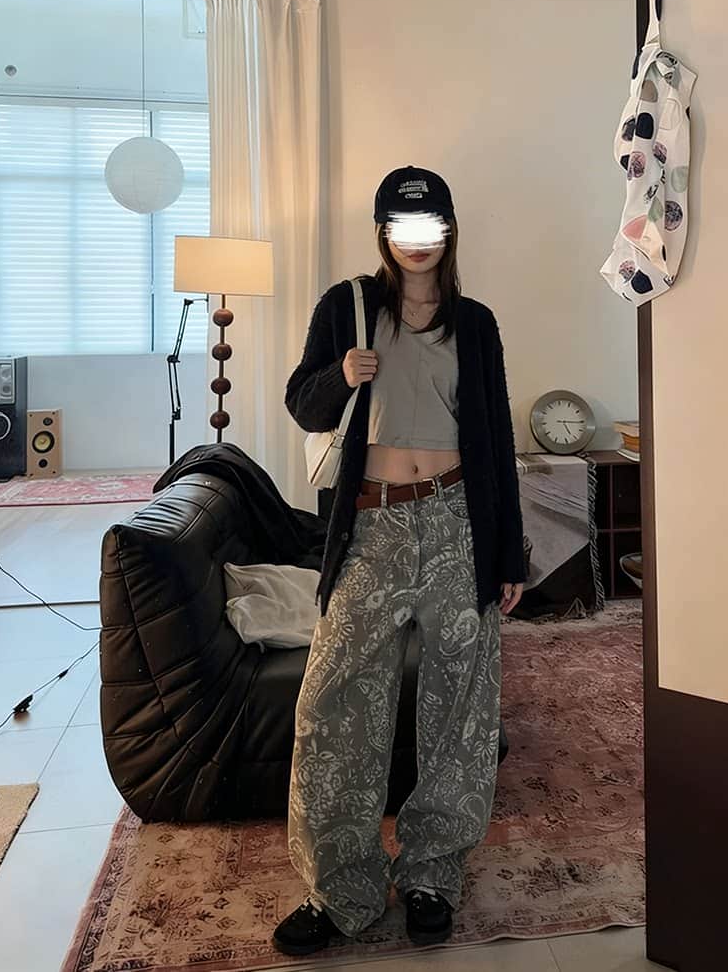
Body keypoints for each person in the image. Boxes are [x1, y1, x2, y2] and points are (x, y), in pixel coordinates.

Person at [274, 165, 526, 955]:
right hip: (373, 525)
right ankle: (338, 887)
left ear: (448, 232)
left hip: (457, 522)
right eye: (402, 227)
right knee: (334, 701)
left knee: (460, 703)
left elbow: (496, 441)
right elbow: (302, 403)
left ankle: (431, 873)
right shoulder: (347, 305)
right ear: (383, 233)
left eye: (431, 227)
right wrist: (340, 375)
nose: (417, 242)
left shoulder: (475, 324)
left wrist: (508, 549)